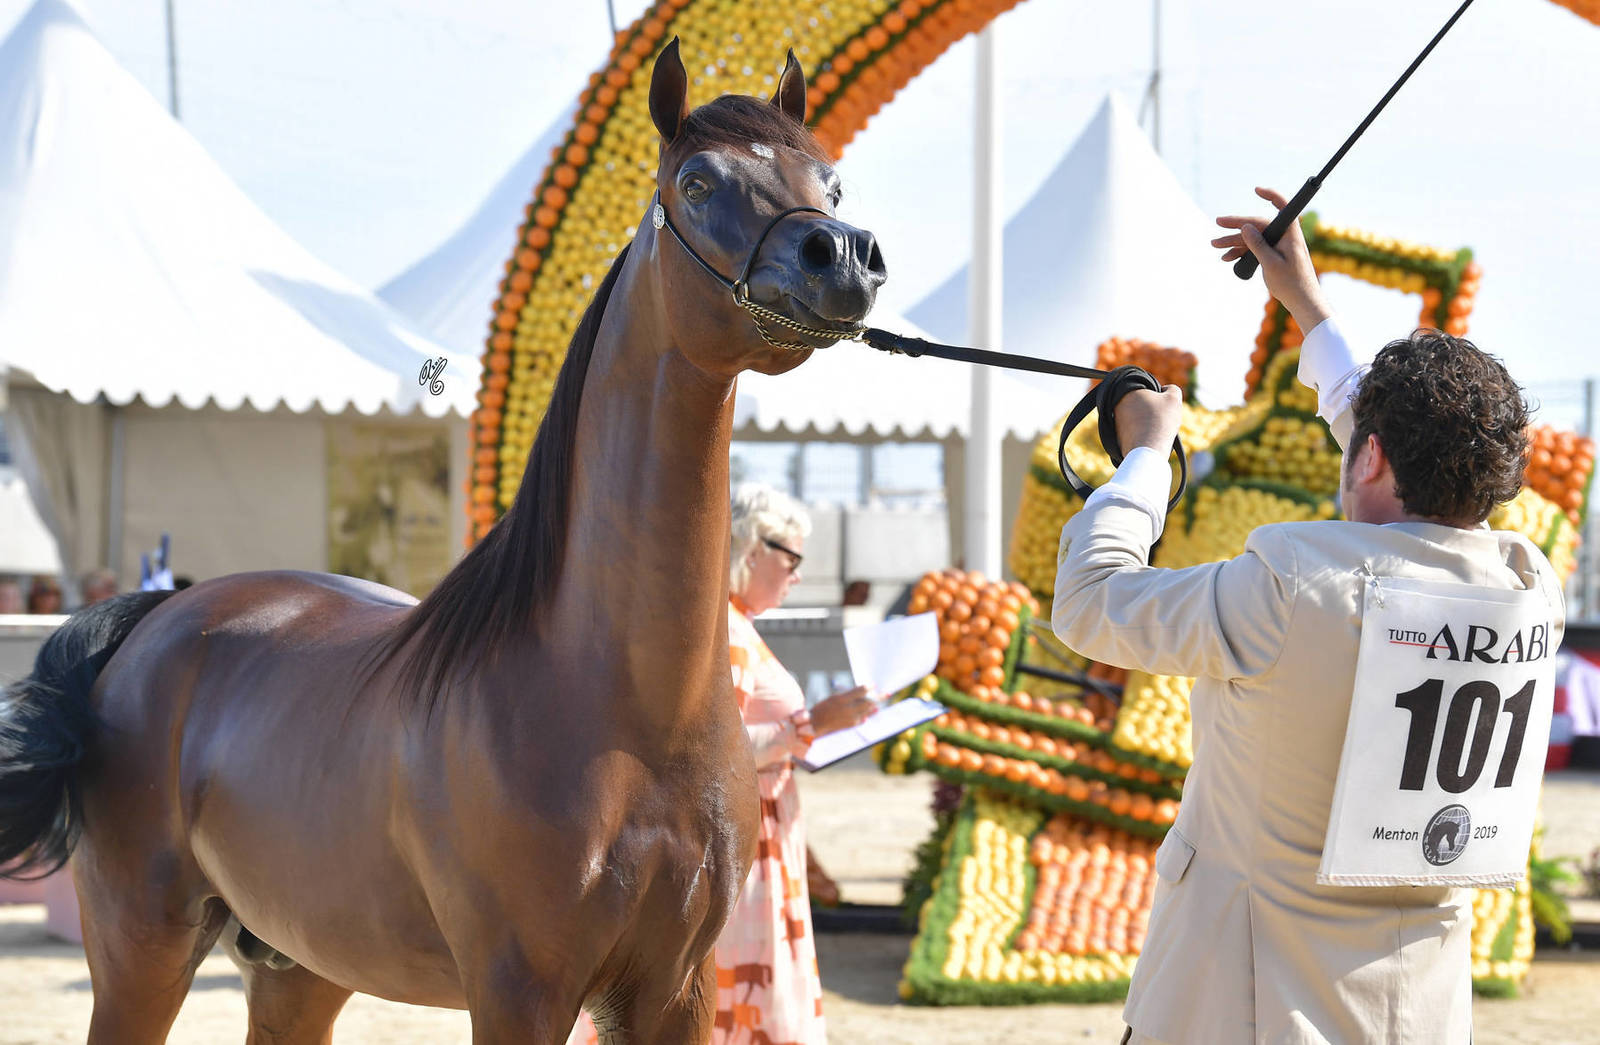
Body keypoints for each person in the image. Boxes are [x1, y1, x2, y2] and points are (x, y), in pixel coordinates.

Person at [1052, 187, 1565, 1045]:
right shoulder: (1526, 586)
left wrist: (1143, 456)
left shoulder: (1291, 587)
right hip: (1414, 1015)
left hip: (1243, 1010)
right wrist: (1308, 303)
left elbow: (1092, 599)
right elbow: (1400, 454)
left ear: (1369, 452)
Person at [568, 484, 874, 1044]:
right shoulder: (727, 628)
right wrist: (809, 727)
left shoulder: (735, 624)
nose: (798, 575)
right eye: (793, 558)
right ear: (752, 549)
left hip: (754, 840)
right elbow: (710, 758)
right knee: (739, 1002)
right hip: (742, 850)